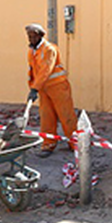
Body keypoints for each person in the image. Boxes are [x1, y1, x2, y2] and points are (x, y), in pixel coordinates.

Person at [25, 23, 78, 157]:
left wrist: (34, 89)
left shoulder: (49, 49)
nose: (31, 39)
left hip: (58, 86)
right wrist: (33, 87)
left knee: (66, 115)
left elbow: (45, 70)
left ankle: (75, 144)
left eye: (33, 36)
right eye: (29, 36)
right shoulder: (32, 51)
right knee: (46, 117)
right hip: (43, 88)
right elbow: (33, 70)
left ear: (40, 36)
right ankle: (48, 144)